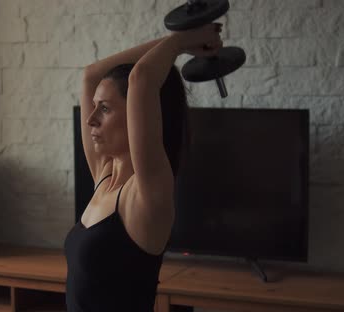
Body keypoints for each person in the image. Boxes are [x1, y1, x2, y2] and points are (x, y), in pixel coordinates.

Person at [64, 23, 224, 312]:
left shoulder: (147, 192)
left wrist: (180, 42)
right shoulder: (104, 174)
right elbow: (91, 75)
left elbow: (142, 78)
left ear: (138, 114)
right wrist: (186, 44)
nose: (90, 120)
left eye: (105, 108)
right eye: (95, 106)